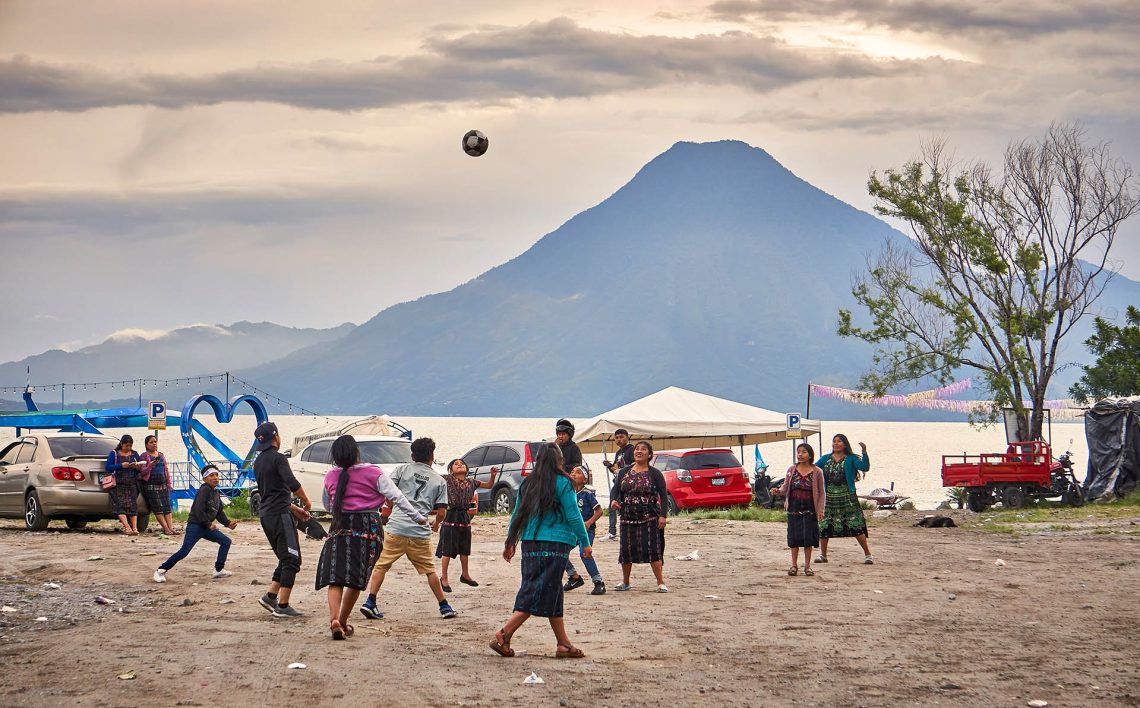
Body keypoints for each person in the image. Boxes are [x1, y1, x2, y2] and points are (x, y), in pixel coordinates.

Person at [316, 435, 426, 640]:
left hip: (339, 526)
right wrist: (418, 517)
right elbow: (397, 497)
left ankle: (333, 619)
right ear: (356, 451)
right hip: (368, 528)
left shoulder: (330, 476)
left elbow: (328, 505)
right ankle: (343, 620)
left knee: (336, 577)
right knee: (356, 580)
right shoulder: (373, 472)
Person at [489, 443, 591, 659]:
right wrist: (585, 541)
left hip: (530, 543)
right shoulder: (564, 483)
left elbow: (517, 514)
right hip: (556, 544)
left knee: (550, 591)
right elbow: (573, 515)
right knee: (538, 590)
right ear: (559, 460)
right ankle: (504, 634)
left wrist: (511, 541)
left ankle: (563, 644)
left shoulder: (528, 483)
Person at [359, 437, 458, 621]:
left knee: (381, 565)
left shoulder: (402, 470)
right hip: (419, 532)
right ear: (432, 456)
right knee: (430, 570)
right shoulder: (439, 480)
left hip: (396, 528)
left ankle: (370, 601)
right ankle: (444, 606)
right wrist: (435, 524)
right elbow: (442, 511)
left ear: (412, 455)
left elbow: (388, 492)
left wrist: (390, 506)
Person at [252, 421, 313, 618]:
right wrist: (305, 500)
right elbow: (291, 483)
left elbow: (270, 493)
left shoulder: (258, 462)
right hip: (279, 516)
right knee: (292, 560)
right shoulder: (278, 459)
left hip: (267, 515)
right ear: (276, 437)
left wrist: (293, 508)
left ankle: (271, 596)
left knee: (285, 557)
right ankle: (283, 606)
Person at [153, 465, 236, 583]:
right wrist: (208, 524)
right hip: (195, 526)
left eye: (217, 475)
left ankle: (218, 570)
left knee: (226, 541)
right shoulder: (205, 489)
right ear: (205, 478)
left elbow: (219, 512)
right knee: (184, 551)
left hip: (206, 527)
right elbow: (198, 509)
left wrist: (228, 523)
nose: (215, 478)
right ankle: (160, 570)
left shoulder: (215, 493)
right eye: (211, 475)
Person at [610, 440, 669, 592]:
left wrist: (663, 516)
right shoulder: (624, 472)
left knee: (653, 550)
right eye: (637, 449)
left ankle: (660, 582)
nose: (639, 451)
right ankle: (625, 581)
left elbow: (663, 495)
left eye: (643, 449)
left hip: (649, 517)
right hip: (627, 517)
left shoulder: (654, 473)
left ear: (649, 455)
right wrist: (613, 501)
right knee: (626, 551)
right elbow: (615, 490)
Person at [436, 458, 498, 592]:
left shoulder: (472, 482)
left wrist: (493, 476)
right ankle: (444, 578)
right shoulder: (446, 479)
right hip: (451, 514)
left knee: (465, 547)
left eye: (462, 464)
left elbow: (488, 485)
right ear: (450, 469)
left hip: (464, 516)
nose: (459, 465)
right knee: (447, 549)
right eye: (456, 464)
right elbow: (433, 478)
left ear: (467, 469)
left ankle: (465, 574)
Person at [816, 434, 874, 565]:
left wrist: (864, 452)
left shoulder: (851, 459)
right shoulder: (825, 459)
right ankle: (823, 555)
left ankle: (868, 554)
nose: (836, 444)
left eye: (839, 441)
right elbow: (814, 469)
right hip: (829, 497)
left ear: (845, 444)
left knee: (855, 526)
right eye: (834, 441)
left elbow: (865, 467)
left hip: (847, 497)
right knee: (824, 525)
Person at [777, 443, 825, 576]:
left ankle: (808, 567)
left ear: (810, 455)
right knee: (794, 538)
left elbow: (821, 492)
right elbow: (785, 487)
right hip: (794, 508)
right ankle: (793, 566)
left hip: (810, 509)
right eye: (798, 452)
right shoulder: (792, 469)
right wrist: (778, 491)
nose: (800, 455)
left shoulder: (817, 472)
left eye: (803, 452)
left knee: (808, 538)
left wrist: (820, 510)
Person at [562, 466, 606, 595]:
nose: (574, 474)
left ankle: (598, 582)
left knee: (584, 553)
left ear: (585, 479)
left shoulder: (587, 494)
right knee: (559, 551)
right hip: (572, 531)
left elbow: (599, 511)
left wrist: (589, 522)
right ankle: (574, 576)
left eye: (578, 473)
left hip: (586, 531)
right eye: (572, 472)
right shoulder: (567, 493)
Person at [104, 434, 142, 535]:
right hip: (118, 484)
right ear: (121, 444)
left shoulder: (134, 454)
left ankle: (134, 528)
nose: (129, 448)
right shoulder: (114, 453)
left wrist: (136, 466)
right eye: (127, 446)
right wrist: (121, 465)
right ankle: (127, 527)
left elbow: (140, 467)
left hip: (132, 483)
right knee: (120, 506)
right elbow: (108, 467)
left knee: (133, 506)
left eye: (130, 445)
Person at [139, 435, 176, 536]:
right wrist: (150, 465)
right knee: (158, 508)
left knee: (167, 507)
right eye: (151, 442)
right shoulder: (144, 456)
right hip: (151, 485)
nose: (154, 444)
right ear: (146, 445)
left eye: (155, 442)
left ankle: (171, 528)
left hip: (163, 484)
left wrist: (169, 483)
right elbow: (142, 471)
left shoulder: (161, 455)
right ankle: (165, 528)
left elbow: (166, 469)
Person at [601, 428, 634, 540]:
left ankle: (628, 529)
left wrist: (622, 470)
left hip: (628, 483)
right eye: (617, 437)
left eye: (621, 437)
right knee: (612, 505)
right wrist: (609, 465)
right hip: (618, 482)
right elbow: (615, 469)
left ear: (627, 438)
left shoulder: (631, 450)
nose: (619, 440)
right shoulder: (618, 453)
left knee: (626, 507)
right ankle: (612, 531)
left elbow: (634, 465)